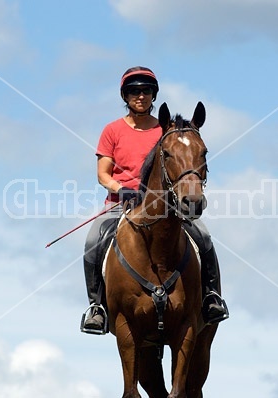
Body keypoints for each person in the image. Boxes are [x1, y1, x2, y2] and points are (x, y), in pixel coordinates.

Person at [81, 66, 228, 334]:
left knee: (204, 238)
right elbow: (103, 174)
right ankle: (97, 308)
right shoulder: (112, 130)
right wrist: (122, 189)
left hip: (166, 206)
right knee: (93, 241)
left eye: (146, 91)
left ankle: (211, 298)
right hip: (120, 204)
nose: (141, 96)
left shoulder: (165, 130)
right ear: (125, 96)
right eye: (134, 91)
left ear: (153, 95)